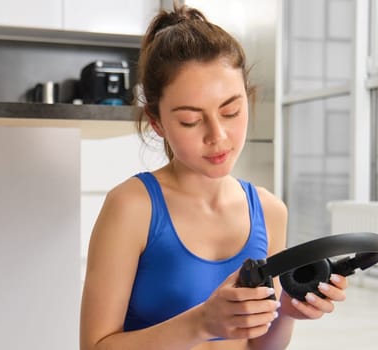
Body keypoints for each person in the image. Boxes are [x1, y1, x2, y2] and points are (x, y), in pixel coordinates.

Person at [79, 4, 349, 350]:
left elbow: (260, 347)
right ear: (157, 121)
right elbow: (94, 346)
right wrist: (201, 323)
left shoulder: (269, 211)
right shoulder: (133, 206)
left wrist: (289, 312)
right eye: (191, 120)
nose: (218, 136)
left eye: (231, 111)